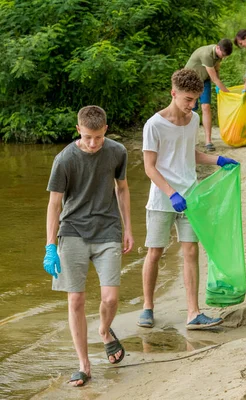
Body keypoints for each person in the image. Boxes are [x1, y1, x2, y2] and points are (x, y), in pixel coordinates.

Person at [138, 69, 238, 330]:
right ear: (173, 93)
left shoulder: (193, 120)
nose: (192, 105)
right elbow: (149, 167)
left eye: (195, 100)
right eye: (187, 99)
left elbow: (188, 153)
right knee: (155, 252)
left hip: (190, 196)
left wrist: (218, 160)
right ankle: (148, 307)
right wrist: (171, 193)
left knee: (191, 251)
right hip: (163, 199)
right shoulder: (154, 124)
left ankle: (193, 313)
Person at [43, 105, 134, 387]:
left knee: (110, 298)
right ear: (78, 130)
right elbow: (54, 204)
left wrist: (128, 228)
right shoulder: (64, 159)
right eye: (87, 137)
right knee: (76, 299)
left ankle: (105, 331)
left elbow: (122, 188)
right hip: (72, 232)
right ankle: (84, 364)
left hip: (107, 230)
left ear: (105, 129)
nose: (93, 144)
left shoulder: (117, 151)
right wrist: (49, 245)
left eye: (98, 137)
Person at [185, 39, 234, 152]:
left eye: (225, 56)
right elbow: (214, 78)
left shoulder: (218, 54)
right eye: (223, 55)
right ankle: (187, 139)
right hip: (191, 80)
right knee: (190, 109)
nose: (223, 57)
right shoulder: (206, 54)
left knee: (206, 107)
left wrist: (218, 84)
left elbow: (216, 71)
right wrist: (228, 94)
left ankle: (208, 141)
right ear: (218, 47)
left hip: (204, 80)